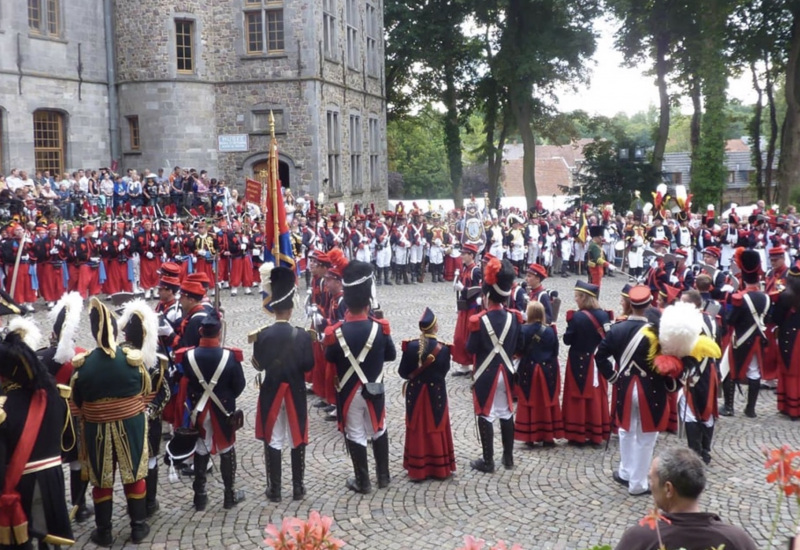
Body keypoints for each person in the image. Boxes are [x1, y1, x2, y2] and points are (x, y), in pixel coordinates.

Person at [70, 297, 151, 546]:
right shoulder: (131, 360)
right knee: (135, 474)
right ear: (115, 330)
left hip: (96, 430)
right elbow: (146, 392)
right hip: (131, 425)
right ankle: (138, 527)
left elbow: (77, 404)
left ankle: (104, 532)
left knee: (101, 478)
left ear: (93, 332)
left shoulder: (82, 367)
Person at [595, 286, 677, 496]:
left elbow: (600, 356)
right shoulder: (658, 332)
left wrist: (613, 378)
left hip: (624, 386)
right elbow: (668, 362)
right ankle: (638, 483)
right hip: (651, 389)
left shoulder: (617, 329)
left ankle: (626, 471)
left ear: (630, 304)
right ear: (649, 304)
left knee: (626, 430)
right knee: (646, 436)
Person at [0, 317, 75, 548]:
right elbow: (68, 440)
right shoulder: (53, 396)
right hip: (53, 476)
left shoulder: (3, 407)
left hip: (22, 481)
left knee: (22, 541)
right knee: (52, 539)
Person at [324, 260, 396, 494]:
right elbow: (391, 355)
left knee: (355, 431)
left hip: (348, 390)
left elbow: (330, 357)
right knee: (378, 428)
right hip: (374, 387)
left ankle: (362, 481)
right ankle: (383, 476)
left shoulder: (336, 333)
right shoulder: (380, 327)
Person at [251, 266, 314, 502]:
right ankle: (298, 487)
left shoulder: (263, 335)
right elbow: (308, 365)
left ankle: (274, 489)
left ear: (273, 307)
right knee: (297, 437)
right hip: (296, 390)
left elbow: (258, 365)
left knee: (274, 437)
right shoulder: (303, 335)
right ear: (291, 308)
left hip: (272, 390)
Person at [615, 447, 758, 550]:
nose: (650, 486)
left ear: (668, 489)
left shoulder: (640, 539)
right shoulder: (736, 540)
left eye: (651, 479)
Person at [176, 311, 246, 510]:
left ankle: (199, 496)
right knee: (226, 448)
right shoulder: (230, 356)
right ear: (219, 332)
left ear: (200, 331)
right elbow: (239, 385)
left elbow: (187, 381)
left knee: (201, 447)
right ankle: (229, 496)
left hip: (198, 410)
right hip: (223, 409)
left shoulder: (188, 356)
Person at [35, 291, 92, 523]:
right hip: (76, 417)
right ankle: (80, 507)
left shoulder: (41, 357)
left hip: (50, 418)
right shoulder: (83, 356)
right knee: (78, 462)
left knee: (53, 463)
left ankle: (54, 511)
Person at [466, 258, 522, 473]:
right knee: (506, 412)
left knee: (486, 413)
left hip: (486, 373)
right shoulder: (515, 318)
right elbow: (519, 346)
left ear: (487, 294)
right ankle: (508, 458)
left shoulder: (478, 320)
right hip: (507, 371)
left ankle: (488, 461)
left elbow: (471, 349)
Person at [118, 300, 171, 517]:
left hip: (130, 417)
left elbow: (164, 391)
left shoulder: (120, 359)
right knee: (147, 460)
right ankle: (148, 503)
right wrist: (152, 410)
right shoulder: (156, 361)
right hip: (147, 417)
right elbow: (165, 394)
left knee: (136, 461)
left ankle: (145, 504)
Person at [398, 307, 456, 481]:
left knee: (417, 428)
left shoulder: (411, 346)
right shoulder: (444, 349)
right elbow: (444, 371)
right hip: (435, 393)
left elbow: (402, 372)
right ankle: (439, 468)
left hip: (416, 393)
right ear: (435, 327)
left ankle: (417, 468)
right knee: (436, 427)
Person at [562, 280, 612, 447]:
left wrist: (569, 324)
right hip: (596, 360)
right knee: (596, 396)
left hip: (578, 358)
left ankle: (578, 432)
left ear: (584, 297)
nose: (575, 299)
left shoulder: (577, 317)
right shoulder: (604, 315)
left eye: (577, 296)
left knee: (577, 396)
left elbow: (567, 340)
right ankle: (595, 431)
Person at [720, 248, 769, 418]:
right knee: (754, 372)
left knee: (727, 369)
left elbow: (730, 320)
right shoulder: (766, 297)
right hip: (757, 339)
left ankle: (728, 407)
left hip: (740, 339)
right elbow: (767, 319)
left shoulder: (739, 298)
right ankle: (750, 409)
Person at [678, 290, 721, 465]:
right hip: (709, 370)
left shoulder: (687, 323)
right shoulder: (711, 319)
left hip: (693, 371)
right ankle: (705, 451)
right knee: (706, 411)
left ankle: (695, 453)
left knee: (690, 412)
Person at [514, 301, 563, 447]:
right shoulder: (550, 331)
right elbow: (555, 352)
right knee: (547, 402)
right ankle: (548, 436)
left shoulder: (523, 329)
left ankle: (530, 436)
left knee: (529, 401)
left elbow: (519, 350)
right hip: (548, 369)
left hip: (529, 369)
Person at [452, 243, 482, 377]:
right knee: (459, 337)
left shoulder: (476, 271)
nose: (462, 256)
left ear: (471, 255)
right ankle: (464, 365)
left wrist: (462, 289)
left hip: (472, 308)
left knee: (471, 337)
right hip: (464, 308)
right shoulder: (464, 268)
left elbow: (477, 291)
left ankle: (475, 365)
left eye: (464, 254)